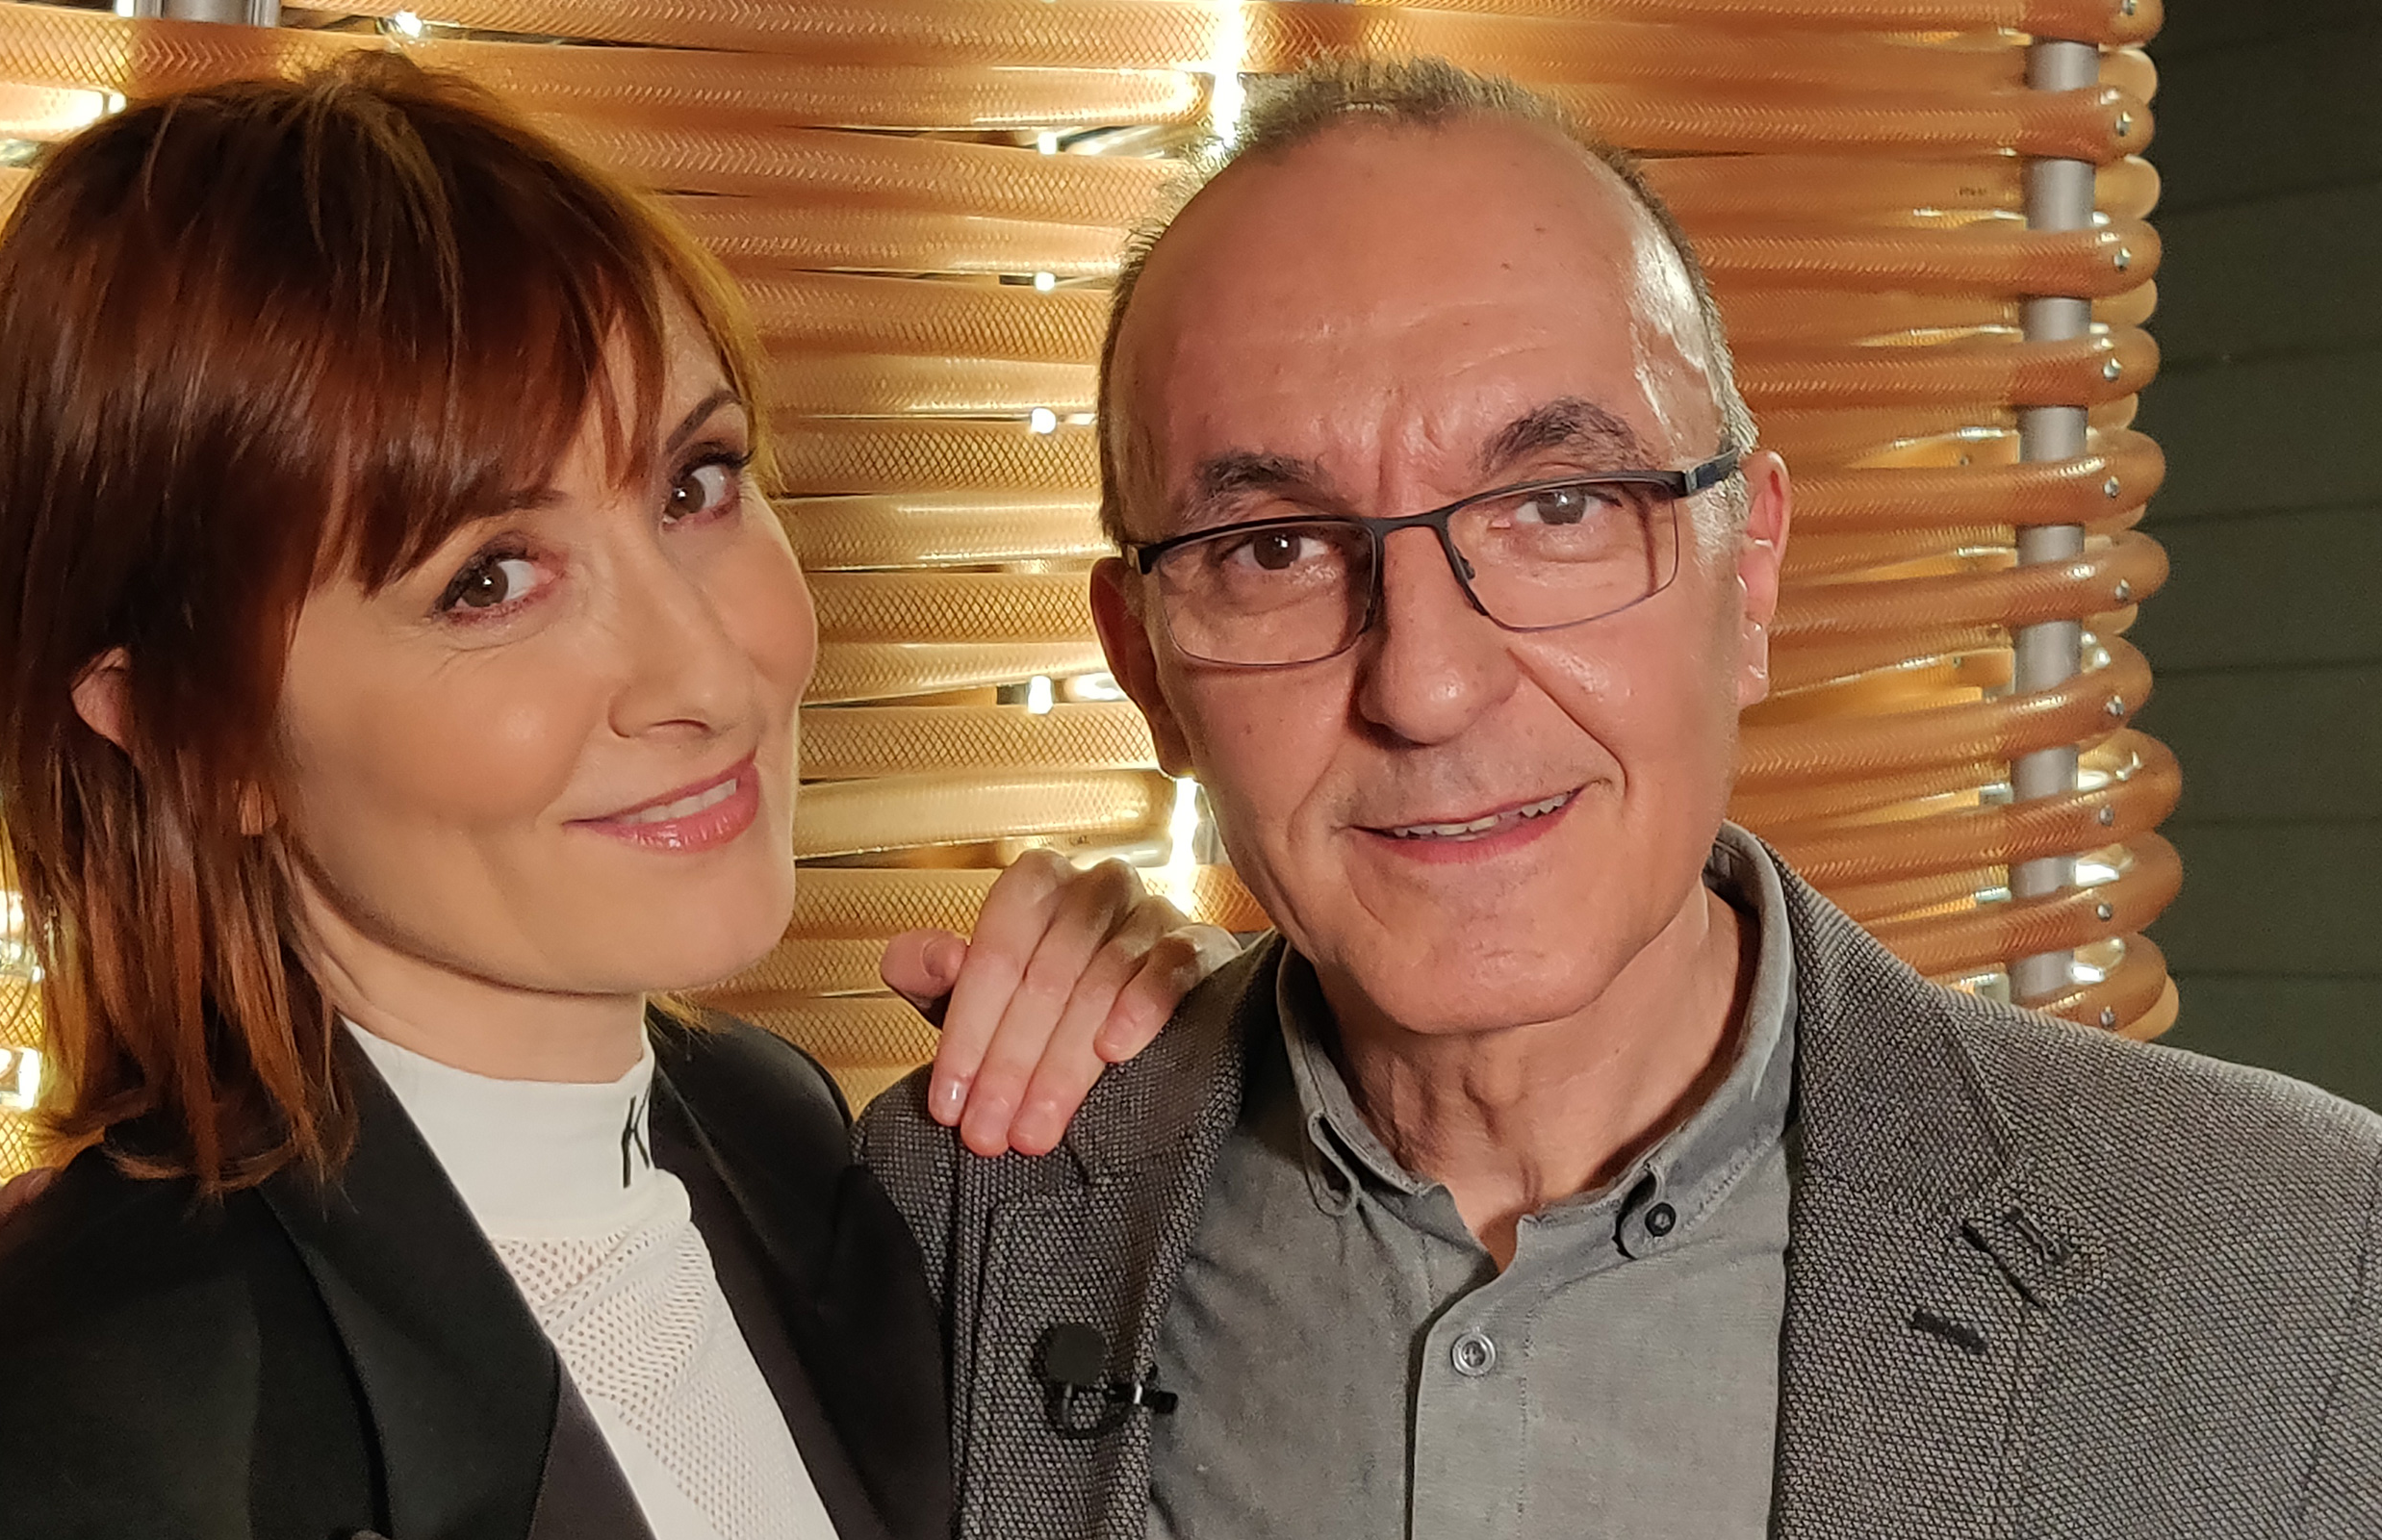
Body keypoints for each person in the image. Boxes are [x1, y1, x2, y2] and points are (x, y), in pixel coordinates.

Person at [860, 56, 2382, 1540]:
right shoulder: (946, 1233)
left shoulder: (2305, 1281)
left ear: (1752, 570)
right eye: (1275, 549)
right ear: (1142, 665)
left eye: (1557, 506)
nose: (1427, 684)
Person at [0, 57, 1226, 1540]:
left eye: (694, 484)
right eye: (488, 579)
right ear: (193, 731)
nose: (705, 669)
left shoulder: (786, 1148)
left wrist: (1231, 1052)